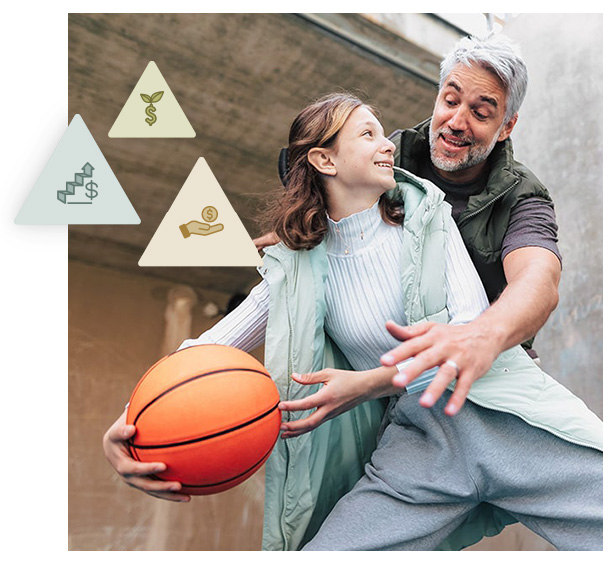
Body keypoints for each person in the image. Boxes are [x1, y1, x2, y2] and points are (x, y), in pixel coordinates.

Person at [103, 92, 602, 551]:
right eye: (367, 134)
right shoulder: (295, 268)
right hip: (418, 442)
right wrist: (131, 423)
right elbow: (208, 353)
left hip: (505, 414)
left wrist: (367, 384)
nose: (388, 145)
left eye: (383, 133)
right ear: (324, 160)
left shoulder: (429, 217)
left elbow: (467, 338)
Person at [255, 35, 562, 417]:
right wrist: (297, 234)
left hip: (493, 377)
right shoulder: (389, 157)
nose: (456, 122)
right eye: (450, 101)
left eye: (481, 114)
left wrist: (480, 337)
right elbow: (323, 196)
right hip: (392, 394)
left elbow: (539, 281)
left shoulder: (523, 196)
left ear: (506, 127)